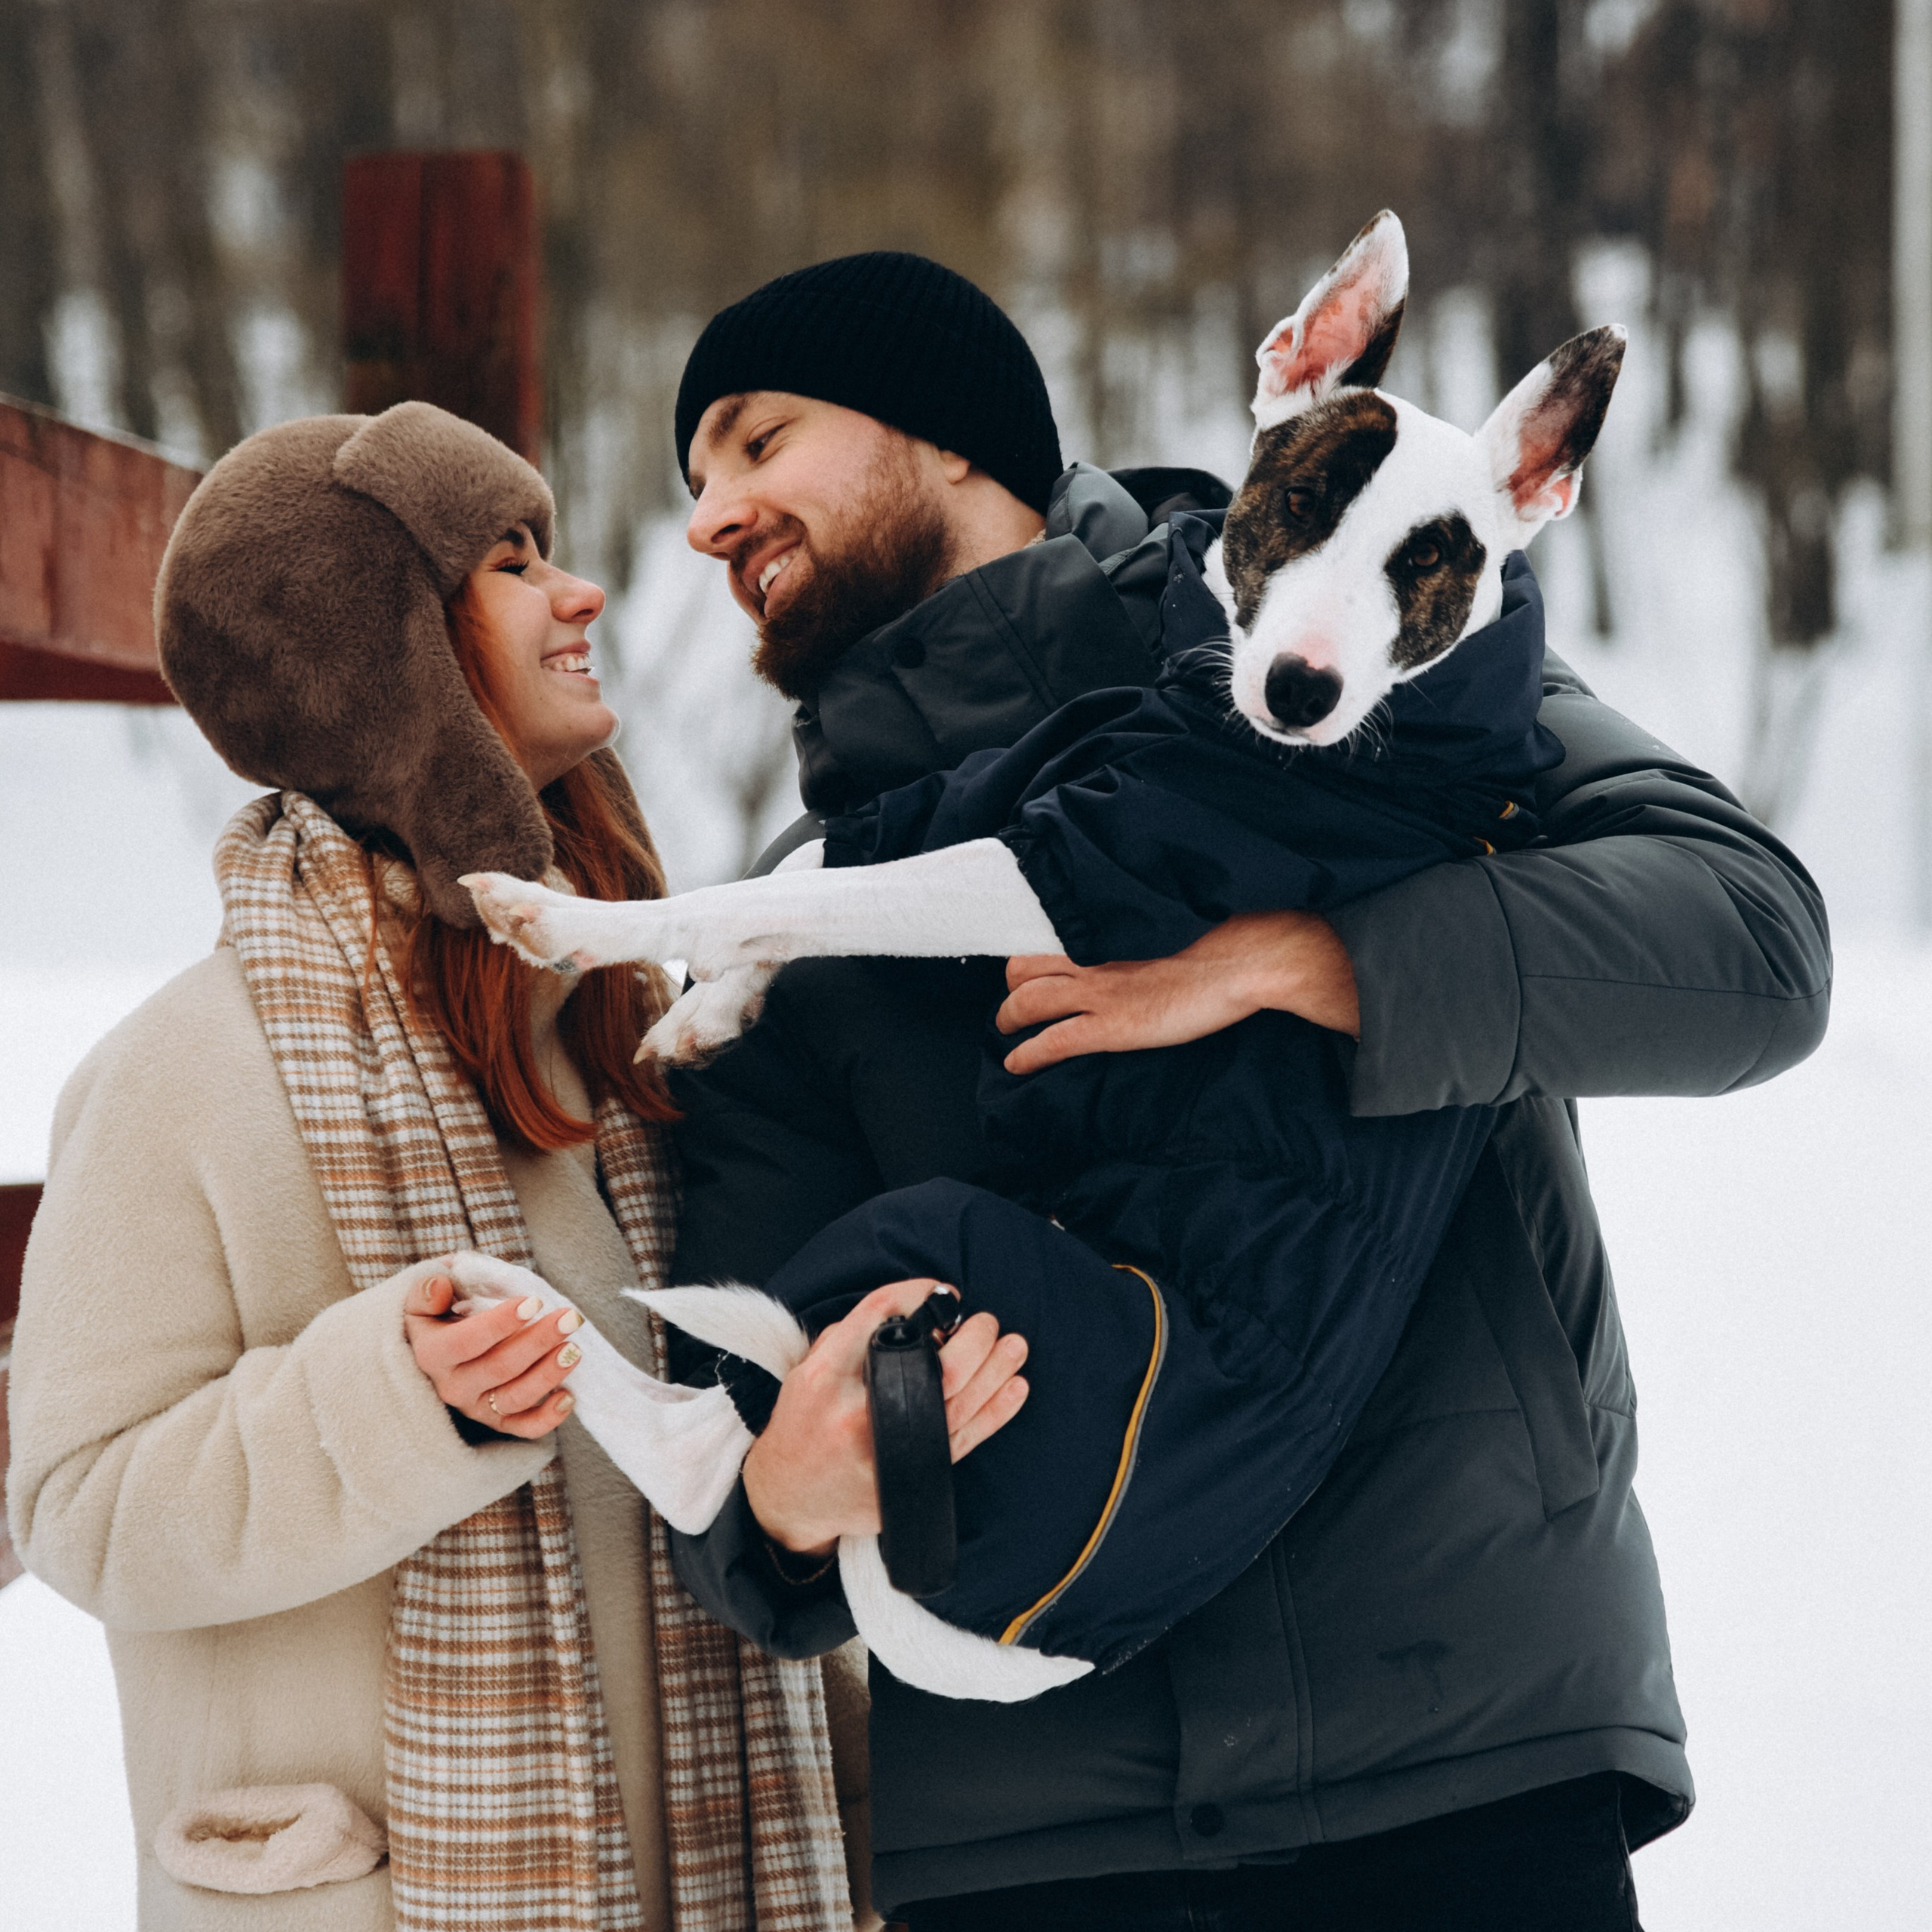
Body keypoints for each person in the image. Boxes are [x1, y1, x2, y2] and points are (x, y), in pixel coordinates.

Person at [657, 254, 1833, 1930]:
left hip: (1465, 1757)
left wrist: (1304, 957)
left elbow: (1750, 944)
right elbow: (727, 1389)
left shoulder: (1371, 630)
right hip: (1045, 1836)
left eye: (758, 442)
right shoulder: (807, 908)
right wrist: (779, 1500)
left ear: (951, 433)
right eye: (694, 484)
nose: (710, 518)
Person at [6, 401, 939, 1930]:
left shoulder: (627, 1028)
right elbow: (76, 1508)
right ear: (381, 647)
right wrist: (397, 1401)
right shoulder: (181, 1071)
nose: (581, 593)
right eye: (512, 563)